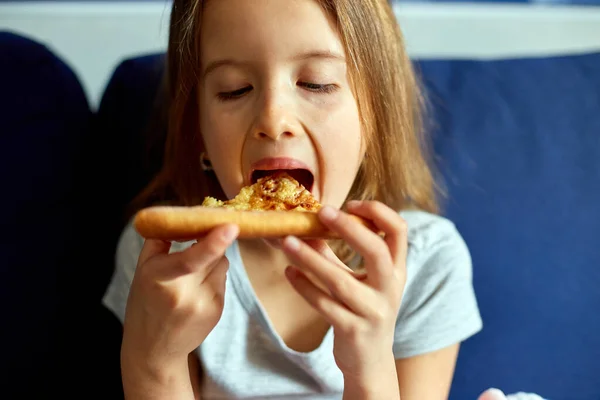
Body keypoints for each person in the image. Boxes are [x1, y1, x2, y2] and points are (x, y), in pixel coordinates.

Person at [102, 0, 483, 398]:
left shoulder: (426, 262)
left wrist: (370, 367)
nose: (273, 119)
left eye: (316, 83)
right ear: (198, 129)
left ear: (375, 115)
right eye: (235, 89)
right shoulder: (164, 261)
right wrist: (152, 361)